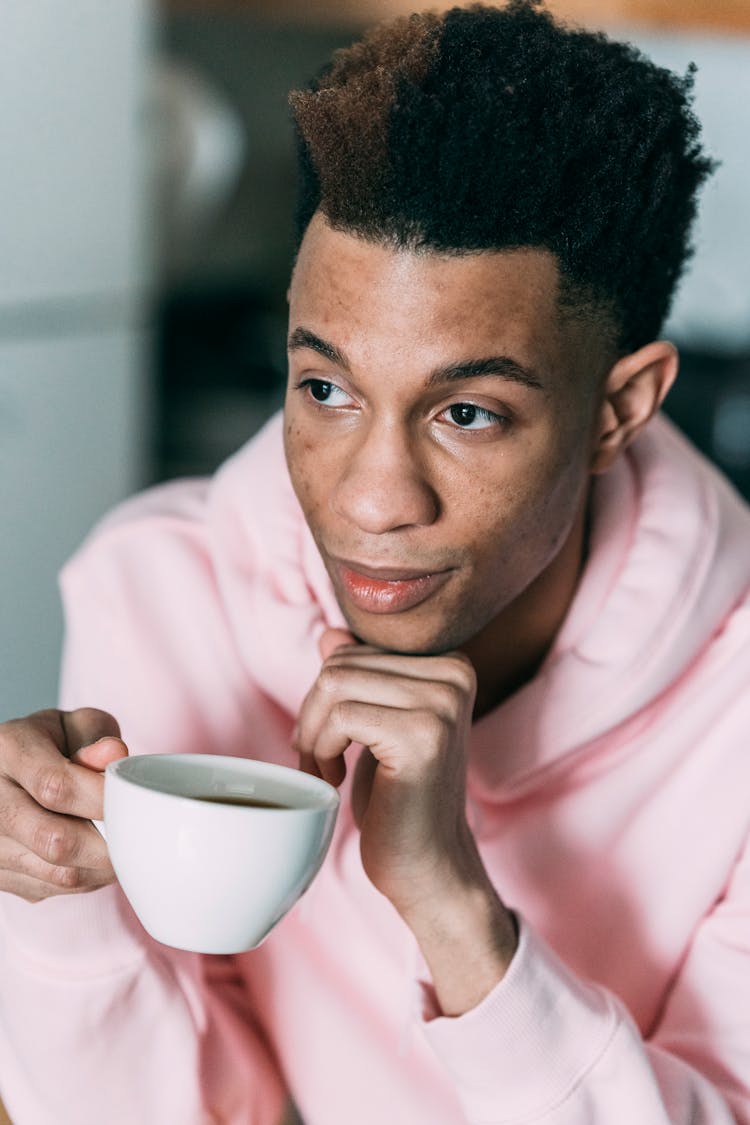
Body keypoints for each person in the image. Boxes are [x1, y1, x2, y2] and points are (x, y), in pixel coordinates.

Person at [1, 2, 749, 1122]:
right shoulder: (161, 588)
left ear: (618, 409)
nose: (368, 500)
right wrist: (47, 894)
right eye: (326, 390)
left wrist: (455, 912)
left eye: (467, 412)